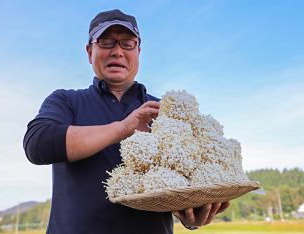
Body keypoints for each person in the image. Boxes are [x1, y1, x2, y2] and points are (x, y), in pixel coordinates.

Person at [23, 9, 229, 234]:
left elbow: (191, 175)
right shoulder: (67, 101)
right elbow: (37, 144)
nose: (117, 51)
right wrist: (122, 129)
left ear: (138, 52)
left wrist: (192, 216)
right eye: (106, 42)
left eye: (127, 43)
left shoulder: (165, 111)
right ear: (89, 52)